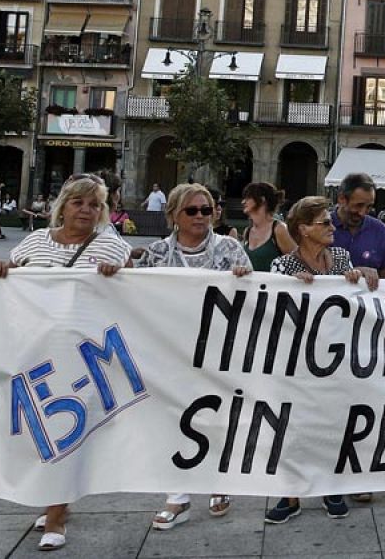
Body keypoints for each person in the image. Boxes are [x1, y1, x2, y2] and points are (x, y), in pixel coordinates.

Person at [0, 173, 128, 551]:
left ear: (103, 212)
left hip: (83, 357)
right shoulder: (35, 242)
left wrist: (120, 276)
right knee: (38, 430)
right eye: (79, 202)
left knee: (68, 431)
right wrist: (3, 270)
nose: (86, 210)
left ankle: (56, 514)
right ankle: (55, 495)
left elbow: (132, 296)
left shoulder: (111, 248)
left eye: (95, 204)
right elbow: (15, 278)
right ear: (62, 205)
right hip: (34, 354)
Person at [140, 183, 251, 530]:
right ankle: (178, 496)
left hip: (220, 350)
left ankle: (219, 481)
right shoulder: (156, 254)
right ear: (173, 215)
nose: (201, 216)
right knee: (176, 420)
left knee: (217, 416)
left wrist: (244, 279)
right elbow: (134, 299)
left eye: (207, 209)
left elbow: (257, 293)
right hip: (172, 351)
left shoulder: (230, 248)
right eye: (192, 211)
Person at [265, 197, 379, 524]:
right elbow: (270, 310)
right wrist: (289, 288)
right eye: (324, 223)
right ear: (302, 229)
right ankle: (291, 496)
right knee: (293, 427)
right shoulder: (283, 266)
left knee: (333, 424)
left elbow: (356, 300)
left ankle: (331, 488)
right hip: (297, 361)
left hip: (337, 359)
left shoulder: (342, 258)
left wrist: (361, 276)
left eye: (330, 222)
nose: (332, 227)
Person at [333, 172, 385, 275]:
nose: (362, 212)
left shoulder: (379, 230)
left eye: (369, 206)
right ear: (342, 199)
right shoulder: (321, 227)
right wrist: (352, 271)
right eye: (358, 205)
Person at [238, 182, 295, 272]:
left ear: (262, 199)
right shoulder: (248, 231)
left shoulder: (279, 229)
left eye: (248, 198)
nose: (243, 202)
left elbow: (297, 261)